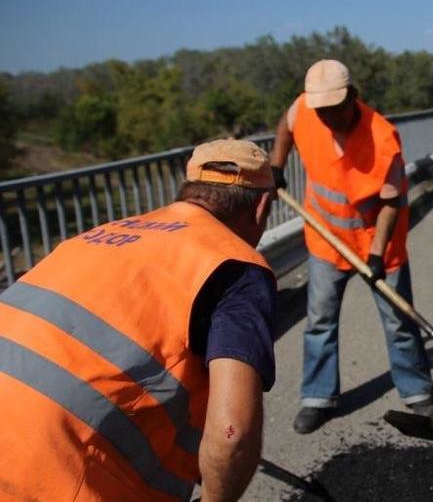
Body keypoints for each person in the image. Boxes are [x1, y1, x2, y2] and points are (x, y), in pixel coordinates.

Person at [0, 139, 278, 501]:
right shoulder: (235, 267)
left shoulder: (99, 234)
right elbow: (233, 433)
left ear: (188, 191)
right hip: (57, 476)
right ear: (261, 206)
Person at [269, 59, 433, 435]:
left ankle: (416, 392)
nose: (327, 117)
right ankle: (317, 398)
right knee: (320, 322)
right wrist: (276, 164)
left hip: (377, 243)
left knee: (399, 321)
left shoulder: (382, 137)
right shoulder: (305, 109)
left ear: (353, 98)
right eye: (322, 110)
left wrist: (376, 253)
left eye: (335, 109)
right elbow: (285, 126)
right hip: (326, 239)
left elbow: (392, 202)